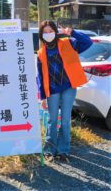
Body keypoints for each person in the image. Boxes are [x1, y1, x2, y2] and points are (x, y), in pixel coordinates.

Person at [37, 20, 93, 162]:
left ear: (55, 32)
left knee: (66, 120)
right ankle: (50, 149)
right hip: (53, 89)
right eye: (45, 32)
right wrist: (42, 97)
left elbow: (88, 43)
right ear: (41, 34)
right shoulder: (41, 53)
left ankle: (63, 151)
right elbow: (40, 77)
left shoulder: (68, 42)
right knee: (52, 119)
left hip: (68, 87)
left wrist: (72, 32)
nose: (48, 34)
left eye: (51, 31)